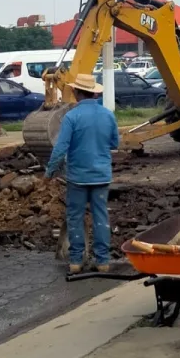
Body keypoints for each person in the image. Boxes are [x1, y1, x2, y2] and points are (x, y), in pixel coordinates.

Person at [45, 72, 120, 273]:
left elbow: (60, 148)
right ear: (94, 94)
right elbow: (115, 143)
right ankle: (102, 261)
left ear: (77, 93)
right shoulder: (108, 115)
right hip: (101, 175)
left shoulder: (71, 117)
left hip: (77, 177)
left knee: (75, 217)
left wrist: (50, 171)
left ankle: (76, 261)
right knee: (101, 217)